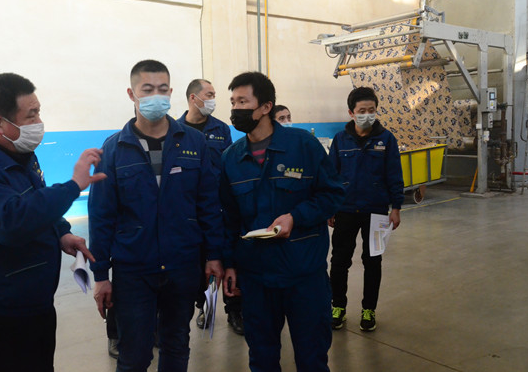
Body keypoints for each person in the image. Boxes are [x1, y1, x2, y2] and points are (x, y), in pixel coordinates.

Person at [0, 73, 106, 372]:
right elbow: (11, 222)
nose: (39, 122)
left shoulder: (19, 153)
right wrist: (73, 186)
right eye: (31, 115)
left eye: (39, 112)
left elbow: (34, 199)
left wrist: (61, 233)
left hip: (32, 305)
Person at [89, 60, 224, 372]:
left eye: (162, 89)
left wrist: (214, 255)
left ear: (171, 92)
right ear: (131, 94)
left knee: (176, 345)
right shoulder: (114, 149)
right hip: (134, 269)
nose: (156, 96)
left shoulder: (194, 143)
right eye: (147, 89)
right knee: (134, 354)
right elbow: (101, 216)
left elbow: (208, 204)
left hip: (182, 265)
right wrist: (100, 275)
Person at [220, 72, 345, 372]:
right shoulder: (231, 159)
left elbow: (332, 194)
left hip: (304, 275)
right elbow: (229, 219)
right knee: (262, 359)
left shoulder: (303, 146)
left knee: (312, 358)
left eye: (243, 102)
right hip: (257, 279)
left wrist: (295, 217)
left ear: (266, 107)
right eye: (233, 102)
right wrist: (230, 265)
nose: (235, 109)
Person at [328, 86, 404, 332]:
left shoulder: (387, 139)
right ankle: (338, 306)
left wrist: (396, 207)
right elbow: (331, 176)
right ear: (351, 112)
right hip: (345, 210)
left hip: (377, 211)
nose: (367, 115)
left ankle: (369, 310)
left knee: (373, 262)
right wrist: (330, 207)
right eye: (362, 111)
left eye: (371, 110)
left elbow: (394, 175)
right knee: (339, 261)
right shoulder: (340, 140)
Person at [176, 79, 243, 335]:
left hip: (221, 206)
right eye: (210, 94)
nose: (214, 99)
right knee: (201, 261)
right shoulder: (177, 130)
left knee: (227, 256)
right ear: (193, 98)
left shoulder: (221, 129)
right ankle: (205, 306)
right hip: (192, 209)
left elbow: (228, 166)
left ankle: (234, 309)